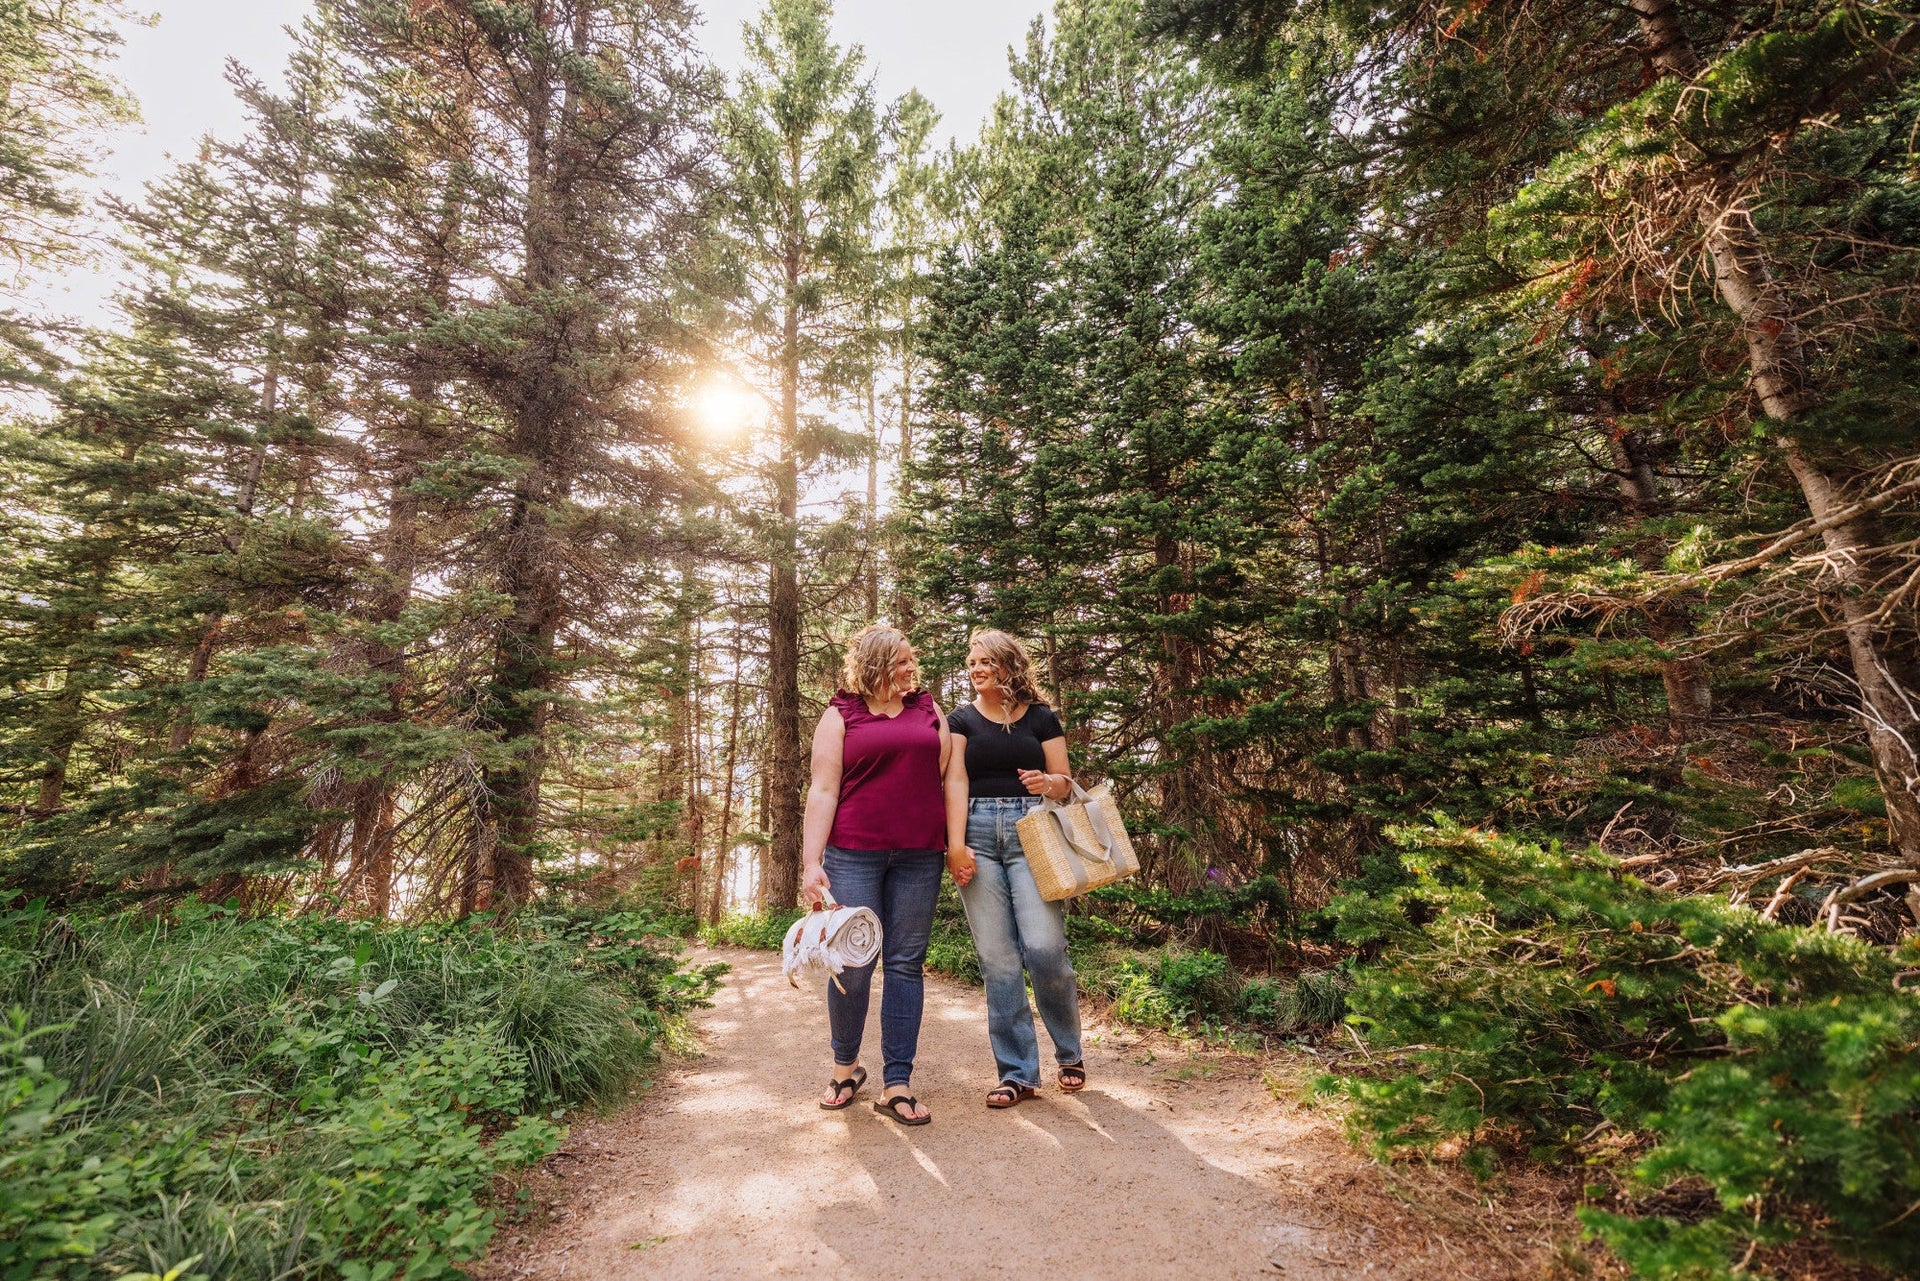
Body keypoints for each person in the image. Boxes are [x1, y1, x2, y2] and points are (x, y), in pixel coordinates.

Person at [801, 624, 971, 1126]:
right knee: (853, 964)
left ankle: (897, 1082)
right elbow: (823, 791)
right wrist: (813, 863)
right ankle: (845, 1069)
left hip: (920, 854)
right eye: (901, 661)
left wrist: (954, 843)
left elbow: (948, 776)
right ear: (876, 664)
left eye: (911, 660)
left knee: (904, 964)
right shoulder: (840, 715)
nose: (910, 668)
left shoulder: (927, 709)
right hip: (853, 853)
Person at [945, 628, 1084, 1107]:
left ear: (1007, 666)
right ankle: (1018, 1073)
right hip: (978, 835)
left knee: (1045, 948)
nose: (974, 668)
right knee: (999, 962)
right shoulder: (960, 719)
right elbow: (955, 780)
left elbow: (1066, 784)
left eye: (984, 661)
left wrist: (1049, 782)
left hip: (1033, 834)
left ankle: (1069, 1051)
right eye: (971, 662)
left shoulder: (1042, 718)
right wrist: (955, 845)